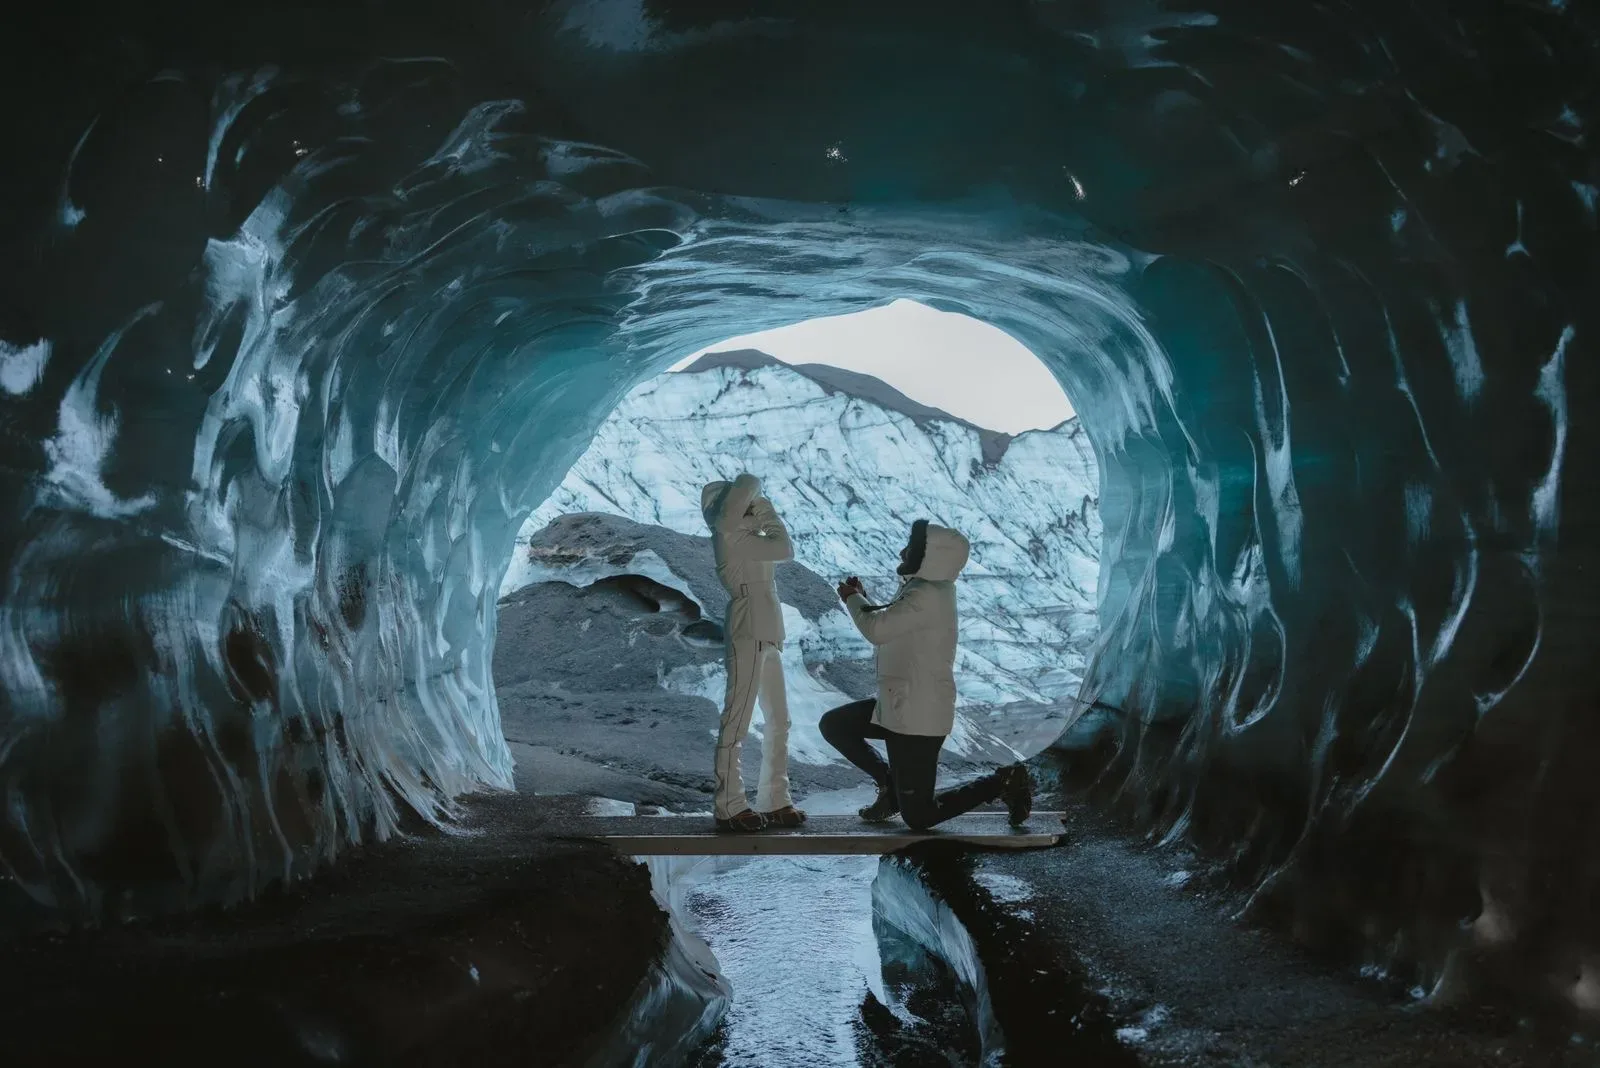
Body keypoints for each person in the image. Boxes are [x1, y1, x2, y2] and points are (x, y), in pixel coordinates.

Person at [820, 519, 1033, 830]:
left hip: (917, 717)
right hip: (900, 707)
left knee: (920, 816)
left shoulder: (926, 594)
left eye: (912, 548)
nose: (903, 551)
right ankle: (891, 787)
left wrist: (852, 598)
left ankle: (1003, 782)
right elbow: (892, 624)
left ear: (929, 557)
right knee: (835, 725)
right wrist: (863, 597)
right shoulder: (923, 588)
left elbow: (878, 630)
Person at [702, 473, 806, 832]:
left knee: (779, 719)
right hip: (748, 626)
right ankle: (728, 804)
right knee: (737, 719)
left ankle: (775, 798)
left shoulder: (747, 536)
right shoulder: (730, 535)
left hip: (767, 627)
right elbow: (784, 547)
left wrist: (757, 507)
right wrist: (762, 504)